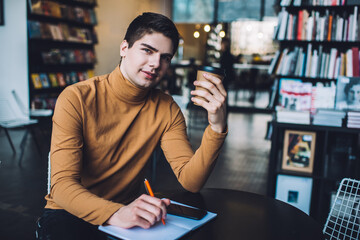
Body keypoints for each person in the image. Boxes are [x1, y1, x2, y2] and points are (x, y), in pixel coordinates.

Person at [36, 12, 227, 239]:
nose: (156, 64)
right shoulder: (76, 97)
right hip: (70, 213)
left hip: (127, 215)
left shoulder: (166, 108)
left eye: (165, 57)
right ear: (124, 48)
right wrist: (117, 212)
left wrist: (217, 127)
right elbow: (62, 188)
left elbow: (191, 181)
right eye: (147, 50)